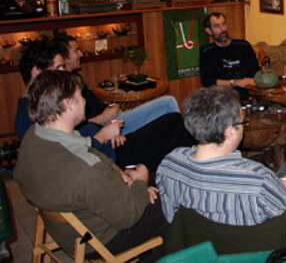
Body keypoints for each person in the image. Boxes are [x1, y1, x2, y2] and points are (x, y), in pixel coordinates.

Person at [14, 70, 167, 259]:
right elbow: (128, 216)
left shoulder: (34, 135)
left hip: (67, 226)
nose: (85, 101)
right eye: (80, 95)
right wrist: (140, 185)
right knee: (172, 197)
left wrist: (123, 178)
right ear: (67, 104)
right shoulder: (85, 169)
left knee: (160, 181)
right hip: (100, 238)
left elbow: (92, 174)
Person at [15, 39, 192, 172]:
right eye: (59, 68)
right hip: (110, 156)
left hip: (110, 140)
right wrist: (101, 135)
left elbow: (72, 139)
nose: (65, 72)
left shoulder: (46, 101)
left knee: (173, 124)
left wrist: (104, 132)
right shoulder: (30, 118)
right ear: (37, 71)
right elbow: (67, 157)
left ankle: (185, 169)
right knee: (175, 122)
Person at [156, 86, 286, 229]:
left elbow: (171, 217)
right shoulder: (258, 180)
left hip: (196, 252)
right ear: (229, 131)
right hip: (252, 253)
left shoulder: (169, 165)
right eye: (242, 122)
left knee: (284, 173)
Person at [54, 34, 180, 136]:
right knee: (168, 103)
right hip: (109, 125)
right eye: (76, 51)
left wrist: (111, 105)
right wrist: (102, 118)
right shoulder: (61, 88)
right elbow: (72, 128)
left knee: (165, 115)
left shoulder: (75, 78)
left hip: (115, 114)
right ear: (64, 57)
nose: (81, 54)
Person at [199, 11, 260, 101]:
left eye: (224, 24)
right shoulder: (207, 52)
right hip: (221, 96)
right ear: (209, 31)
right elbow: (207, 81)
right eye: (217, 26)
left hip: (247, 93)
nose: (222, 29)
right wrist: (235, 82)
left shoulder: (243, 45)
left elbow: (255, 72)